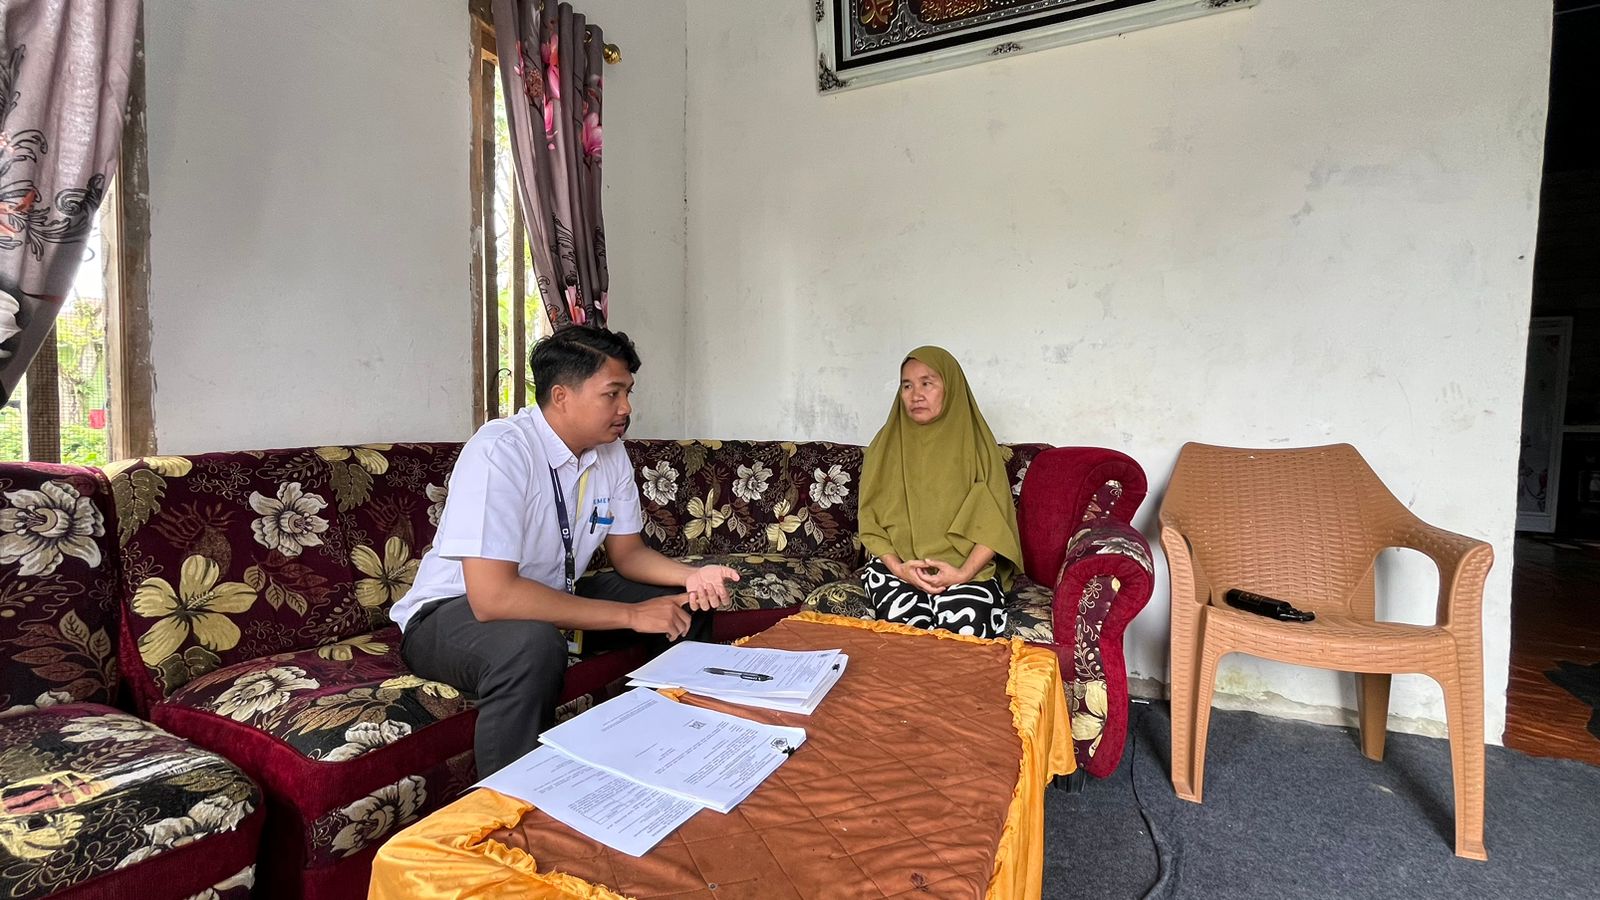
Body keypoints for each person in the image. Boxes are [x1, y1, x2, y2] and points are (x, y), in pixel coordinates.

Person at [392, 325, 740, 776]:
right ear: (561, 396)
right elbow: (493, 598)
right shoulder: (500, 451)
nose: (626, 408)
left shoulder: (609, 452)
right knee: (530, 644)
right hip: (451, 614)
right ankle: (507, 802)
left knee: (687, 604)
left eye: (628, 393)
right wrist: (632, 615)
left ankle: (667, 754)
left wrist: (691, 577)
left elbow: (629, 554)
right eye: (612, 394)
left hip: (551, 598)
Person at [857, 346, 1022, 639]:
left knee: (966, 626)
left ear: (951, 388)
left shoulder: (978, 447)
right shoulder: (884, 446)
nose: (916, 395)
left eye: (927, 383)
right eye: (907, 385)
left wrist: (962, 574)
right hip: (898, 567)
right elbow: (870, 523)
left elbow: (995, 525)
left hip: (967, 570)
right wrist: (900, 569)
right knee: (902, 631)